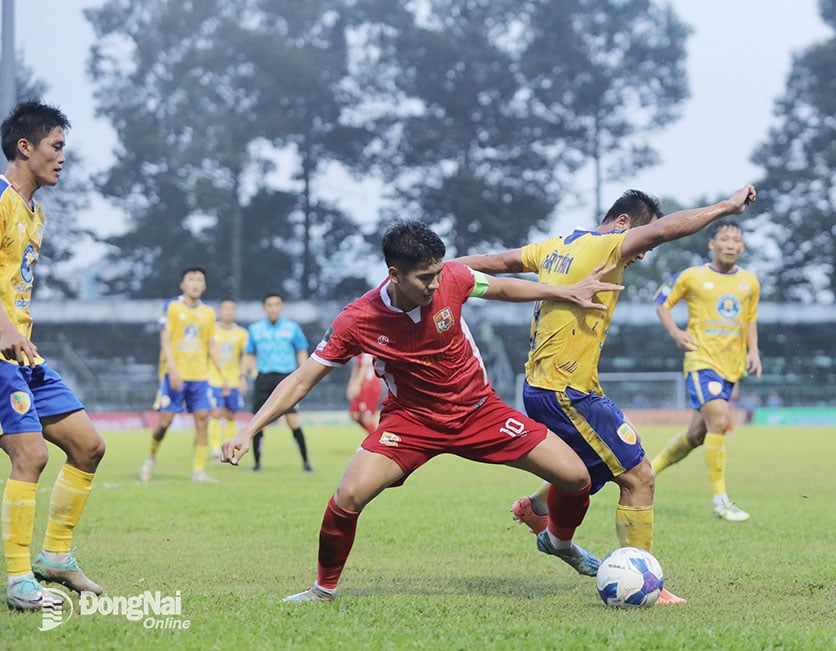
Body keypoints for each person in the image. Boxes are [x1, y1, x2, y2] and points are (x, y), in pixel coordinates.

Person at [221, 220, 624, 602]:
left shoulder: (452, 277)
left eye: (437, 273)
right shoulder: (357, 319)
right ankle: (322, 589)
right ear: (394, 275)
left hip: (480, 411)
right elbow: (300, 380)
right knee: (348, 495)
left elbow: (500, 288)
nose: (436, 284)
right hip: (411, 422)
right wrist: (248, 430)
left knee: (576, 477)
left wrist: (565, 292)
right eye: (424, 278)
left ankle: (559, 542)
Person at [457, 185, 756, 605]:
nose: (643, 253)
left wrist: (441, 270)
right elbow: (666, 229)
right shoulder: (607, 245)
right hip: (566, 392)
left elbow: (495, 262)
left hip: (548, 387)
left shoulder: (555, 246)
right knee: (638, 476)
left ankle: (539, 513)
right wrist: (726, 206)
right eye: (642, 239)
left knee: (585, 469)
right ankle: (645, 580)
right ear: (623, 223)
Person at [0, 101, 105, 610]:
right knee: (31, 456)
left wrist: (20, 333)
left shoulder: (33, 211)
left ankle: (55, 558)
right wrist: (5, 331)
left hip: (22, 355)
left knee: (88, 446)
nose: (63, 158)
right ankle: (20, 580)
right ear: (26, 147)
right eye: (56, 147)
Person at [649, 220, 761, 522]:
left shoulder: (750, 282)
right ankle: (721, 501)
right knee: (721, 421)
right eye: (724, 238)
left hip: (730, 368)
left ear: (742, 247)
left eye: (735, 239)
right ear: (712, 244)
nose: (729, 244)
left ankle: (646, 472)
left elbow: (750, 320)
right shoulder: (692, 276)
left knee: (697, 434)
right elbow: (661, 301)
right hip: (701, 361)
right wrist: (676, 333)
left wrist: (753, 350)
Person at [139, 267, 225, 483]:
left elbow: (211, 344)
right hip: (174, 374)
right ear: (183, 284)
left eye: (199, 280)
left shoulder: (209, 312)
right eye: (191, 279)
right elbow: (165, 340)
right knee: (165, 421)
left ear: (204, 285)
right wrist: (173, 371)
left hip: (200, 376)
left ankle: (198, 471)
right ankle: (151, 457)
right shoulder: (172, 306)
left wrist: (223, 375)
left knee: (202, 420)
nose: (195, 283)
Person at [245, 293, 312, 472]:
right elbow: (249, 353)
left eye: (276, 304)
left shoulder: (292, 328)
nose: (273, 308)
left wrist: (304, 372)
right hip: (263, 378)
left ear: (281, 307)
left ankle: (306, 462)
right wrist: (251, 372)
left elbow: (301, 350)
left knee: (293, 420)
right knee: (258, 421)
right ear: (264, 307)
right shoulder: (255, 329)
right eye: (269, 305)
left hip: (286, 378)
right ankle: (257, 463)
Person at [207, 298, 249, 458]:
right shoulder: (212, 331)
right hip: (214, 380)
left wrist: (242, 377)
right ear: (220, 310)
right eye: (225, 308)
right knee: (216, 413)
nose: (228, 312)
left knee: (231, 414)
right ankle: (216, 450)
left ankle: (229, 446)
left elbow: (246, 356)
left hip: (233, 381)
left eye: (232, 309)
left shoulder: (241, 333)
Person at [346, 353, 383, 435]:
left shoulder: (368, 347)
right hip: (362, 383)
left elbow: (365, 366)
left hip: (370, 384)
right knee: (354, 414)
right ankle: (375, 437)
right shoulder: (359, 349)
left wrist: (357, 384)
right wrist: (352, 384)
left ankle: (376, 440)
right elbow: (357, 366)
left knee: (367, 417)